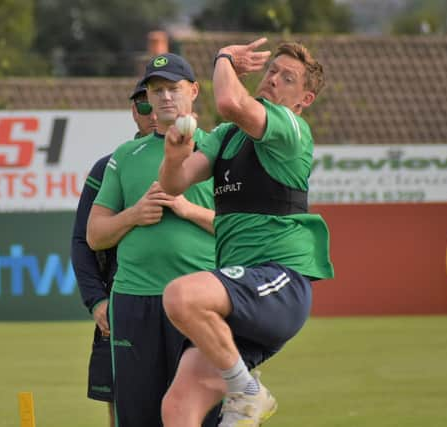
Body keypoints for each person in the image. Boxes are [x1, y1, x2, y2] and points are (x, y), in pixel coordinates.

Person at [157, 38, 335, 427]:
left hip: (280, 280)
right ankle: (244, 390)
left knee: (181, 296)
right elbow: (175, 183)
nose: (273, 79)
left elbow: (229, 102)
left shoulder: (292, 127)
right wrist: (174, 156)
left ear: (303, 100)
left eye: (287, 78)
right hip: (242, 291)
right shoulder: (227, 135)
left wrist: (223, 57)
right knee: (177, 406)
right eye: (271, 70)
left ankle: (248, 391)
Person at [86, 53, 222, 427]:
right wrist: (134, 215)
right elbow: (95, 236)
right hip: (134, 302)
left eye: (173, 89)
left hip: (201, 299)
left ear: (193, 91)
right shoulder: (125, 156)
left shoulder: (219, 149)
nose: (164, 98)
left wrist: (187, 208)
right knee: (139, 417)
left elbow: (243, 229)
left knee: (205, 415)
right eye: (156, 90)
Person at [71, 79, 157, 427]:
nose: (152, 112)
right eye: (144, 105)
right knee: (121, 408)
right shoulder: (109, 166)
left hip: (184, 300)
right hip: (123, 303)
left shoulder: (202, 157)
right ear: (135, 113)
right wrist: (96, 300)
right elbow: (83, 241)